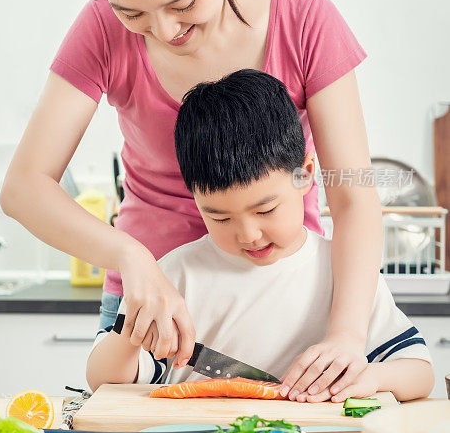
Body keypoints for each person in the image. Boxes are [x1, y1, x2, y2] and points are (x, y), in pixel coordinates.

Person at [1, 0, 383, 400]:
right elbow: (24, 187)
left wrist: (346, 334)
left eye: (184, 3)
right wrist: (131, 257)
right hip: (152, 309)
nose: (164, 31)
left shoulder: (305, 19)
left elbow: (355, 193)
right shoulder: (99, 31)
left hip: (280, 295)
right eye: (131, 13)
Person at [85, 71, 434, 402]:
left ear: (305, 175)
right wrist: (129, 331)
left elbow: (420, 374)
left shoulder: (343, 271)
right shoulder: (176, 275)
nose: (248, 234)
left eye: (265, 210)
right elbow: (102, 379)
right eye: (219, 217)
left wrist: (372, 377)